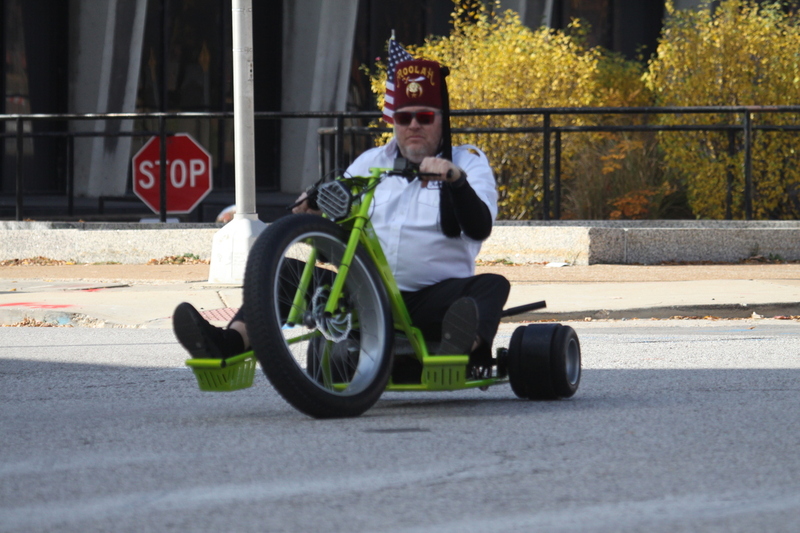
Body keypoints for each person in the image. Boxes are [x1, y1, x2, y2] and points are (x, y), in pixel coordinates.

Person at [173, 58, 510, 374]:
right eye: (404, 118)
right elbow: (335, 236)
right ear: (393, 120)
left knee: (492, 285)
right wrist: (313, 209)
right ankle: (226, 344)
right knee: (280, 271)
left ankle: (458, 351)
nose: (413, 126)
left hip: (434, 298)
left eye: (424, 117)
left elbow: (479, 227)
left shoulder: (467, 161)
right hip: (366, 294)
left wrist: (455, 180)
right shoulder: (370, 162)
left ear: (441, 119)